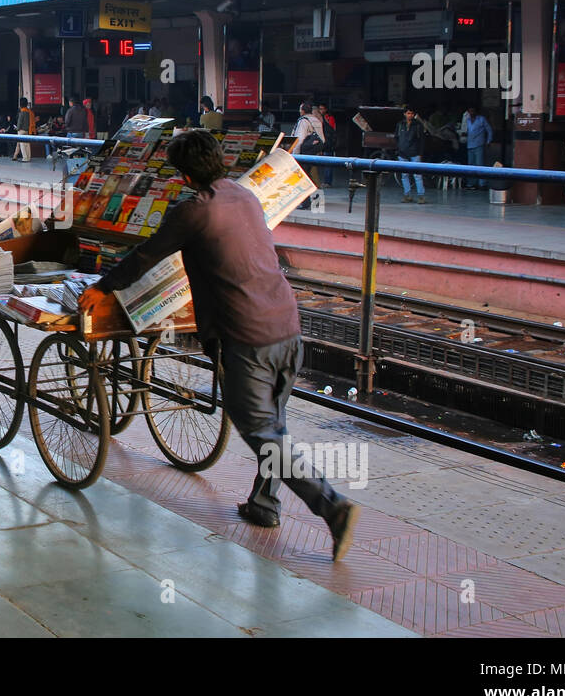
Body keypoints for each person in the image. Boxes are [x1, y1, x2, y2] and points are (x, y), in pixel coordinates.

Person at [78, 131, 360, 560]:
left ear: (186, 174)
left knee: (261, 430)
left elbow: (145, 256)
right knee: (275, 425)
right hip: (287, 325)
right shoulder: (244, 197)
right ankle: (264, 505)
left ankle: (332, 507)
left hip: (248, 337)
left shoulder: (193, 211)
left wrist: (103, 288)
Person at [396, 104, 427, 204]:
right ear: (405, 114)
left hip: (415, 153)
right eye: (408, 113)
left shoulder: (418, 125)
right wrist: (398, 149)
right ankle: (407, 195)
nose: (410, 115)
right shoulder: (400, 124)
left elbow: (422, 140)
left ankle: (421, 196)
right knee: (404, 175)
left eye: (412, 113)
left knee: (417, 175)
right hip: (402, 153)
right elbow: (396, 137)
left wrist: (420, 154)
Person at [291, 102, 325, 189]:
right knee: (312, 171)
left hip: (305, 152)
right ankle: (315, 191)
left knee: (303, 174)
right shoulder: (316, 120)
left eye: (300, 109)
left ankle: (305, 194)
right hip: (314, 151)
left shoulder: (303, 121)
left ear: (302, 111)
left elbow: (300, 138)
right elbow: (322, 138)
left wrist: (295, 154)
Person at [463, 106, 492, 190]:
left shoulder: (481, 119)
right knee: (471, 165)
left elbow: (489, 130)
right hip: (469, 145)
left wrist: (488, 141)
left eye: (473, 111)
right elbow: (465, 131)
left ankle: (482, 184)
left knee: (480, 165)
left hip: (479, 144)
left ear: (476, 112)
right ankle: (471, 184)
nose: (471, 113)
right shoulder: (467, 120)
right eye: (470, 111)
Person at [316, 104, 338, 187]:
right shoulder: (321, 118)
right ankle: (326, 181)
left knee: (328, 163)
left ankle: (328, 182)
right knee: (326, 163)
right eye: (320, 109)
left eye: (322, 109)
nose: (321, 110)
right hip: (324, 142)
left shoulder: (330, 118)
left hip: (329, 143)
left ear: (326, 109)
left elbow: (331, 130)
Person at [13, 97, 35, 162]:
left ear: (20, 104)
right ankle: (28, 157)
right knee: (27, 144)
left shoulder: (22, 113)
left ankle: (25, 158)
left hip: (21, 131)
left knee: (22, 145)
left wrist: (16, 128)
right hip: (27, 130)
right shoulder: (29, 112)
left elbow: (19, 124)